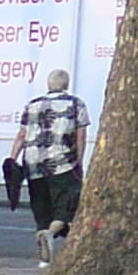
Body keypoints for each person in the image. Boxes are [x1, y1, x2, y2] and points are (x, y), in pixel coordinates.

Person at [16, 68, 88, 264]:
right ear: (66, 84)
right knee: (65, 210)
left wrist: (12, 158)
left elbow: (22, 135)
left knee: (42, 209)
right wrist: (79, 160)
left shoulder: (31, 105)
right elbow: (80, 136)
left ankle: (44, 259)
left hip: (33, 164)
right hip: (63, 164)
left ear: (49, 84)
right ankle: (50, 234)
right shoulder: (76, 104)